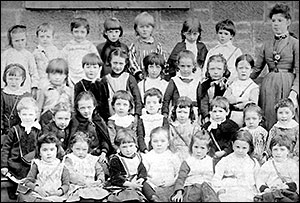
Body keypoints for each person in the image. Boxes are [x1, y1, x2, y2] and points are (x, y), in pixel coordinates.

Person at [250, 3, 299, 131]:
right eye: (273, 21)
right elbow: (256, 70)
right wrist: (240, 83)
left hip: (288, 85)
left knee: (286, 118)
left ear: (288, 22)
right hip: (269, 87)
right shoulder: (266, 45)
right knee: (269, 117)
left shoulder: (295, 44)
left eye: (280, 20)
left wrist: (294, 93)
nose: (276, 24)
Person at [1, 96, 41, 200]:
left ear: (36, 114)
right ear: (19, 114)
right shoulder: (14, 130)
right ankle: (16, 195)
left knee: (30, 189)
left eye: (31, 114)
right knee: (14, 192)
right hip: (16, 163)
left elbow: (42, 147)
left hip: (32, 163)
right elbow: (6, 149)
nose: (27, 117)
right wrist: (4, 165)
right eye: (24, 114)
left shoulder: (39, 130)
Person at [106, 128, 155, 202]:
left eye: (131, 146)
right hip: (123, 184)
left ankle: (153, 198)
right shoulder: (116, 159)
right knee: (129, 194)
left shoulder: (137, 156)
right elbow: (115, 178)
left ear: (135, 145)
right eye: (124, 147)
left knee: (146, 186)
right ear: (119, 147)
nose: (128, 150)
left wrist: (141, 179)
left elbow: (142, 169)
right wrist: (130, 184)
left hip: (136, 181)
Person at [170, 130, 220, 202]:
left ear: (208, 149)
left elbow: (217, 176)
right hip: (192, 188)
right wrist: (179, 192)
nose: (198, 151)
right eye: (196, 147)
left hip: (207, 189)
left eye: (202, 148)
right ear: (191, 147)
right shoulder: (188, 162)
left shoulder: (211, 161)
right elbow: (181, 178)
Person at [17, 133, 70, 202]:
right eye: (45, 150)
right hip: (40, 194)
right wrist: (37, 189)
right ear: (39, 152)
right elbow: (28, 181)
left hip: (56, 195)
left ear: (57, 151)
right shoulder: (37, 164)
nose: (49, 153)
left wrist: (59, 191)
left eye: (52, 149)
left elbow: (66, 184)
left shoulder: (61, 166)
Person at [212, 129, 260, 202]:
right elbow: (216, 178)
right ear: (232, 144)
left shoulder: (253, 162)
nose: (240, 150)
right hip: (229, 191)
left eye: (244, 148)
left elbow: (258, 179)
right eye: (237, 147)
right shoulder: (225, 160)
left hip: (247, 192)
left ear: (249, 147)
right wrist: (219, 190)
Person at [98, 48, 143, 123]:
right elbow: (102, 102)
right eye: (115, 63)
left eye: (121, 63)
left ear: (125, 63)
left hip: (128, 118)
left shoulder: (130, 78)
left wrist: (136, 115)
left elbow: (137, 98)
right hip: (111, 118)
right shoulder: (105, 80)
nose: (118, 66)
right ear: (110, 61)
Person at [64, 131, 109, 202]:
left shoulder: (92, 159)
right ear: (72, 147)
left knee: (102, 197)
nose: (81, 152)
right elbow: (71, 174)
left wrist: (99, 181)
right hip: (78, 186)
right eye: (77, 149)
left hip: (93, 185)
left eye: (84, 149)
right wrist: (84, 182)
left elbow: (100, 171)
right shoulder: (70, 158)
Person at [69, 91, 114, 161]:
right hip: (82, 155)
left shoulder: (98, 120)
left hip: (99, 154)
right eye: (82, 108)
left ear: (94, 106)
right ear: (77, 108)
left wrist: (103, 152)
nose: (86, 111)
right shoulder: (75, 122)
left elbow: (104, 139)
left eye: (89, 107)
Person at [142, 126, 181, 202]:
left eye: (163, 141)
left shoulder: (173, 156)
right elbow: (144, 174)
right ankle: (154, 198)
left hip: (171, 187)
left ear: (168, 142)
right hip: (154, 188)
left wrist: (173, 181)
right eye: (155, 141)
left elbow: (178, 172)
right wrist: (152, 184)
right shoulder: (148, 157)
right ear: (151, 142)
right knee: (144, 185)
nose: (159, 144)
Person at [255, 135, 299, 202]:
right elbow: (260, 180)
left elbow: (296, 182)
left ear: (288, 151)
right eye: (275, 149)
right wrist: (266, 189)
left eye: (282, 149)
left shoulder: (291, 165)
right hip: (271, 193)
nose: (278, 153)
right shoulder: (267, 165)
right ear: (271, 150)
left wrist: (284, 186)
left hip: (286, 193)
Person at [1, 24, 39, 98]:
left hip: (24, 86)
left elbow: (34, 72)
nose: (20, 43)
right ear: (11, 41)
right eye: (16, 41)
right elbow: (2, 71)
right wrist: (2, 86)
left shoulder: (28, 55)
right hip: (10, 85)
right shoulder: (6, 54)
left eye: (22, 40)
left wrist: (34, 86)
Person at [202, 96, 240, 169]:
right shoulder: (207, 126)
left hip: (228, 156)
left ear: (227, 112)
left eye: (220, 111)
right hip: (211, 157)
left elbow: (235, 142)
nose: (217, 114)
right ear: (210, 112)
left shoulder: (231, 126)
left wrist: (225, 151)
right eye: (214, 111)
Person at [162, 50, 201, 119]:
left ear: (193, 66)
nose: (185, 69)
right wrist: (165, 113)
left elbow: (202, 100)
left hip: (193, 113)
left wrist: (202, 114)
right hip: (178, 113)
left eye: (188, 66)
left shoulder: (197, 81)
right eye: (182, 66)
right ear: (178, 65)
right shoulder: (174, 81)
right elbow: (166, 99)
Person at [223, 54, 259, 127]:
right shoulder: (232, 83)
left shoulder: (253, 86)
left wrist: (235, 100)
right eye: (240, 68)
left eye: (246, 68)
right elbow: (225, 99)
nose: (243, 71)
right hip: (231, 115)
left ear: (251, 70)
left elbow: (252, 105)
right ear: (236, 68)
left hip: (245, 118)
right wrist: (241, 100)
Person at [37, 58, 74, 129]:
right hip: (47, 122)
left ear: (66, 75)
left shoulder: (69, 91)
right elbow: (39, 108)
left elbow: (72, 108)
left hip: (63, 122)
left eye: (60, 74)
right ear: (48, 75)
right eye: (53, 74)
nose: (57, 77)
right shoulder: (45, 89)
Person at [62, 17, 100, 86]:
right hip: (72, 75)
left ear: (87, 32)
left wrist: (96, 77)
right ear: (71, 31)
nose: (79, 35)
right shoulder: (68, 47)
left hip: (86, 75)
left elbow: (97, 62)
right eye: (76, 31)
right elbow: (63, 61)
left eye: (82, 32)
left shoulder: (90, 46)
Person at [129, 11, 165, 82]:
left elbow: (162, 60)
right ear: (136, 29)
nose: (144, 30)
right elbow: (131, 60)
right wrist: (138, 72)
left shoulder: (157, 45)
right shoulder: (135, 45)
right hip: (139, 78)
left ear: (152, 29)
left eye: (147, 27)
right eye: (141, 27)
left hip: (154, 76)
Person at [197, 54, 230, 124]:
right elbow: (203, 103)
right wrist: (206, 117)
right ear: (208, 70)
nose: (215, 72)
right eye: (212, 69)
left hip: (225, 116)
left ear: (224, 70)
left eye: (219, 69)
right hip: (210, 116)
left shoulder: (227, 84)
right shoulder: (204, 85)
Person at [1, 63, 31, 136]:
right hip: (6, 131)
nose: (13, 82)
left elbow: (30, 113)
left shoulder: (26, 95)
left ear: (23, 79)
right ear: (5, 78)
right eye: (10, 79)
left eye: (17, 79)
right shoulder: (2, 94)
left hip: (21, 132)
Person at [137, 88, 170, 153]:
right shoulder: (142, 119)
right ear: (145, 106)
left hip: (161, 147)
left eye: (154, 103)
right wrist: (144, 149)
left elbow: (166, 136)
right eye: (148, 103)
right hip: (146, 149)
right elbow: (140, 136)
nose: (151, 105)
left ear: (160, 105)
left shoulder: (163, 119)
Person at [169, 96, 201, 162]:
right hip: (175, 154)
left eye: (185, 112)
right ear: (175, 111)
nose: (182, 115)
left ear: (190, 113)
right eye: (179, 112)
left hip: (189, 154)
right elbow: (170, 142)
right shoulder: (171, 126)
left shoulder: (194, 127)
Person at [73, 53, 105, 119]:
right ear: (83, 68)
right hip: (84, 117)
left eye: (95, 67)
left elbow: (105, 104)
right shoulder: (79, 85)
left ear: (100, 68)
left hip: (99, 118)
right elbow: (77, 105)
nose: (91, 70)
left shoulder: (101, 84)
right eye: (88, 67)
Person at [32, 22, 61, 89]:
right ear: (37, 37)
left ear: (52, 37)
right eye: (42, 36)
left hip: (54, 80)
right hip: (41, 81)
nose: (45, 39)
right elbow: (34, 70)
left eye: (48, 36)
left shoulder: (55, 51)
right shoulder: (35, 53)